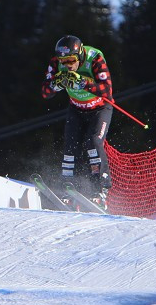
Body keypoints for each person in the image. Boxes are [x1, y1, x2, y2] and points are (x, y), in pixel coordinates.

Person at [40, 34, 114, 210]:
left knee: (93, 141)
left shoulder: (94, 58)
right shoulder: (55, 63)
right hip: (76, 108)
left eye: (71, 60)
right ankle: (68, 187)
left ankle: (101, 190)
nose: (67, 65)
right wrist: (55, 85)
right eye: (63, 61)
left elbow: (107, 89)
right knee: (70, 146)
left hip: (100, 108)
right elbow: (44, 93)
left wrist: (82, 83)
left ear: (80, 55)